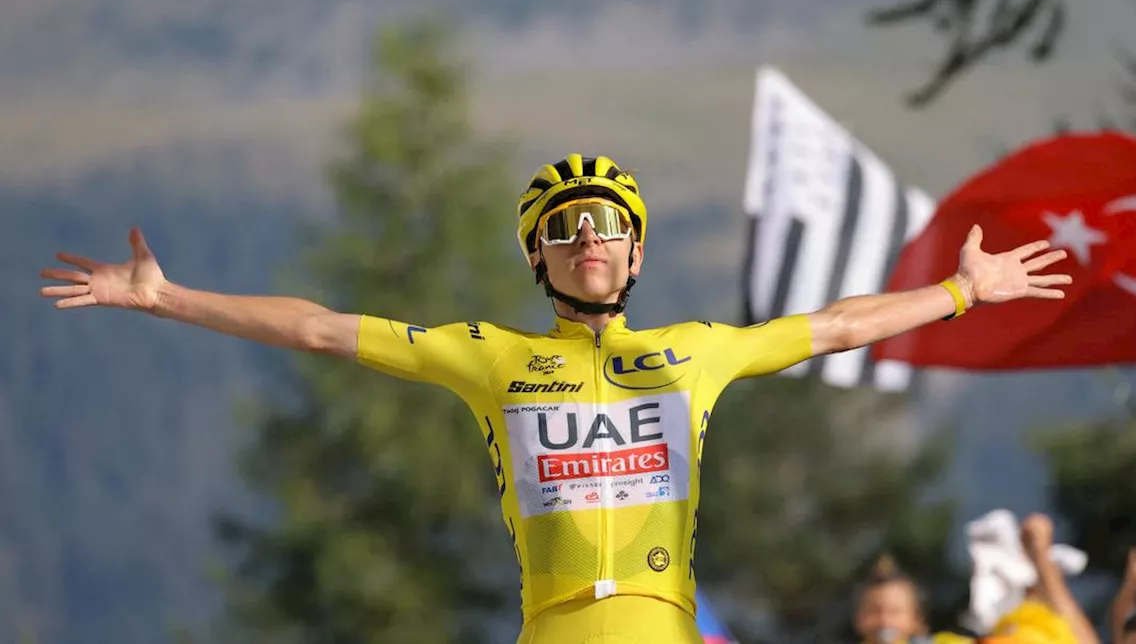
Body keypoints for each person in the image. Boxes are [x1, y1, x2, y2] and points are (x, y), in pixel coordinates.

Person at [39, 153, 1072, 644]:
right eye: (568, 231)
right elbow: (317, 327)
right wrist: (169, 298)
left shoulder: (693, 353)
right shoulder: (490, 358)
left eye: (607, 227)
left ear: (634, 251)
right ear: (541, 258)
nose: (589, 242)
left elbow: (839, 325)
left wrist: (956, 294)